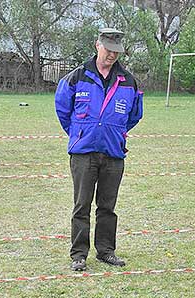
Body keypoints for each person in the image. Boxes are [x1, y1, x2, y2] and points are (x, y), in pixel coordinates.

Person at [55, 28, 143, 271]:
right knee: (81, 205)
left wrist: (115, 131)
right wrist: (79, 133)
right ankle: (79, 254)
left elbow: (135, 114)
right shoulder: (76, 77)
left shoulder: (129, 80)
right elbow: (63, 110)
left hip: (113, 153)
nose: (112, 55)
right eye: (108, 50)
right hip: (83, 152)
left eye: (117, 51)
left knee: (107, 206)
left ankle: (106, 250)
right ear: (97, 45)